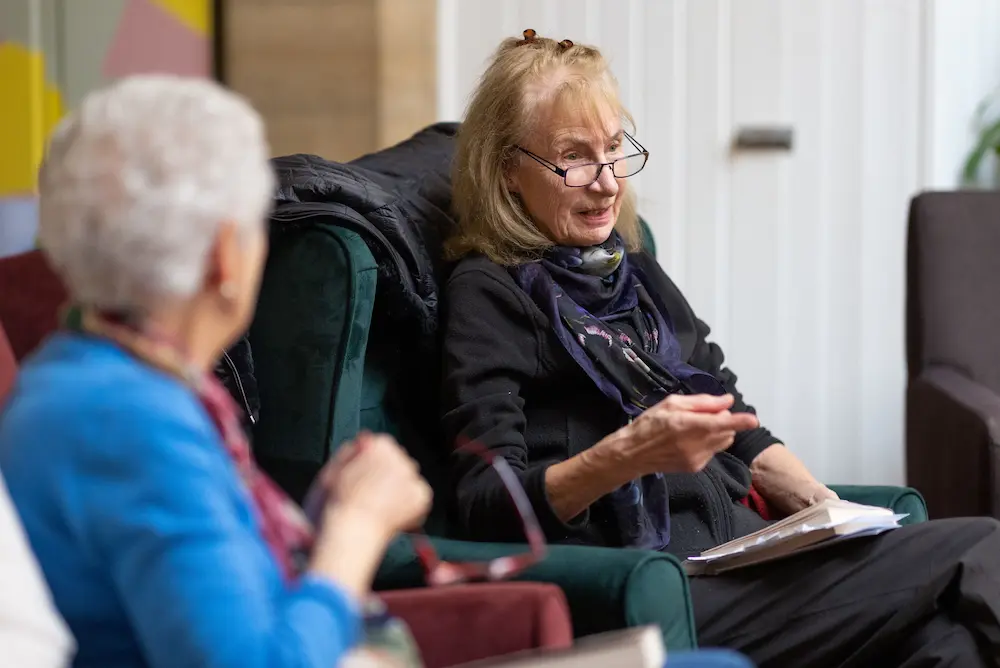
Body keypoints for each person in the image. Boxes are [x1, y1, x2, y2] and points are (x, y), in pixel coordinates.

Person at [441, 30, 1000, 667]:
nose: (607, 185)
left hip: (741, 551)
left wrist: (826, 510)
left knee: (948, 646)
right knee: (984, 549)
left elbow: (727, 406)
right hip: (655, 584)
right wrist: (626, 455)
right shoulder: (489, 293)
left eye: (616, 151)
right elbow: (487, 505)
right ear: (508, 170)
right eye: (574, 159)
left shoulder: (630, 269)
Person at [0, 75, 431, 667]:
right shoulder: (132, 416)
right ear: (226, 255)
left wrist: (319, 518)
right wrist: (357, 528)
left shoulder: (89, 374)